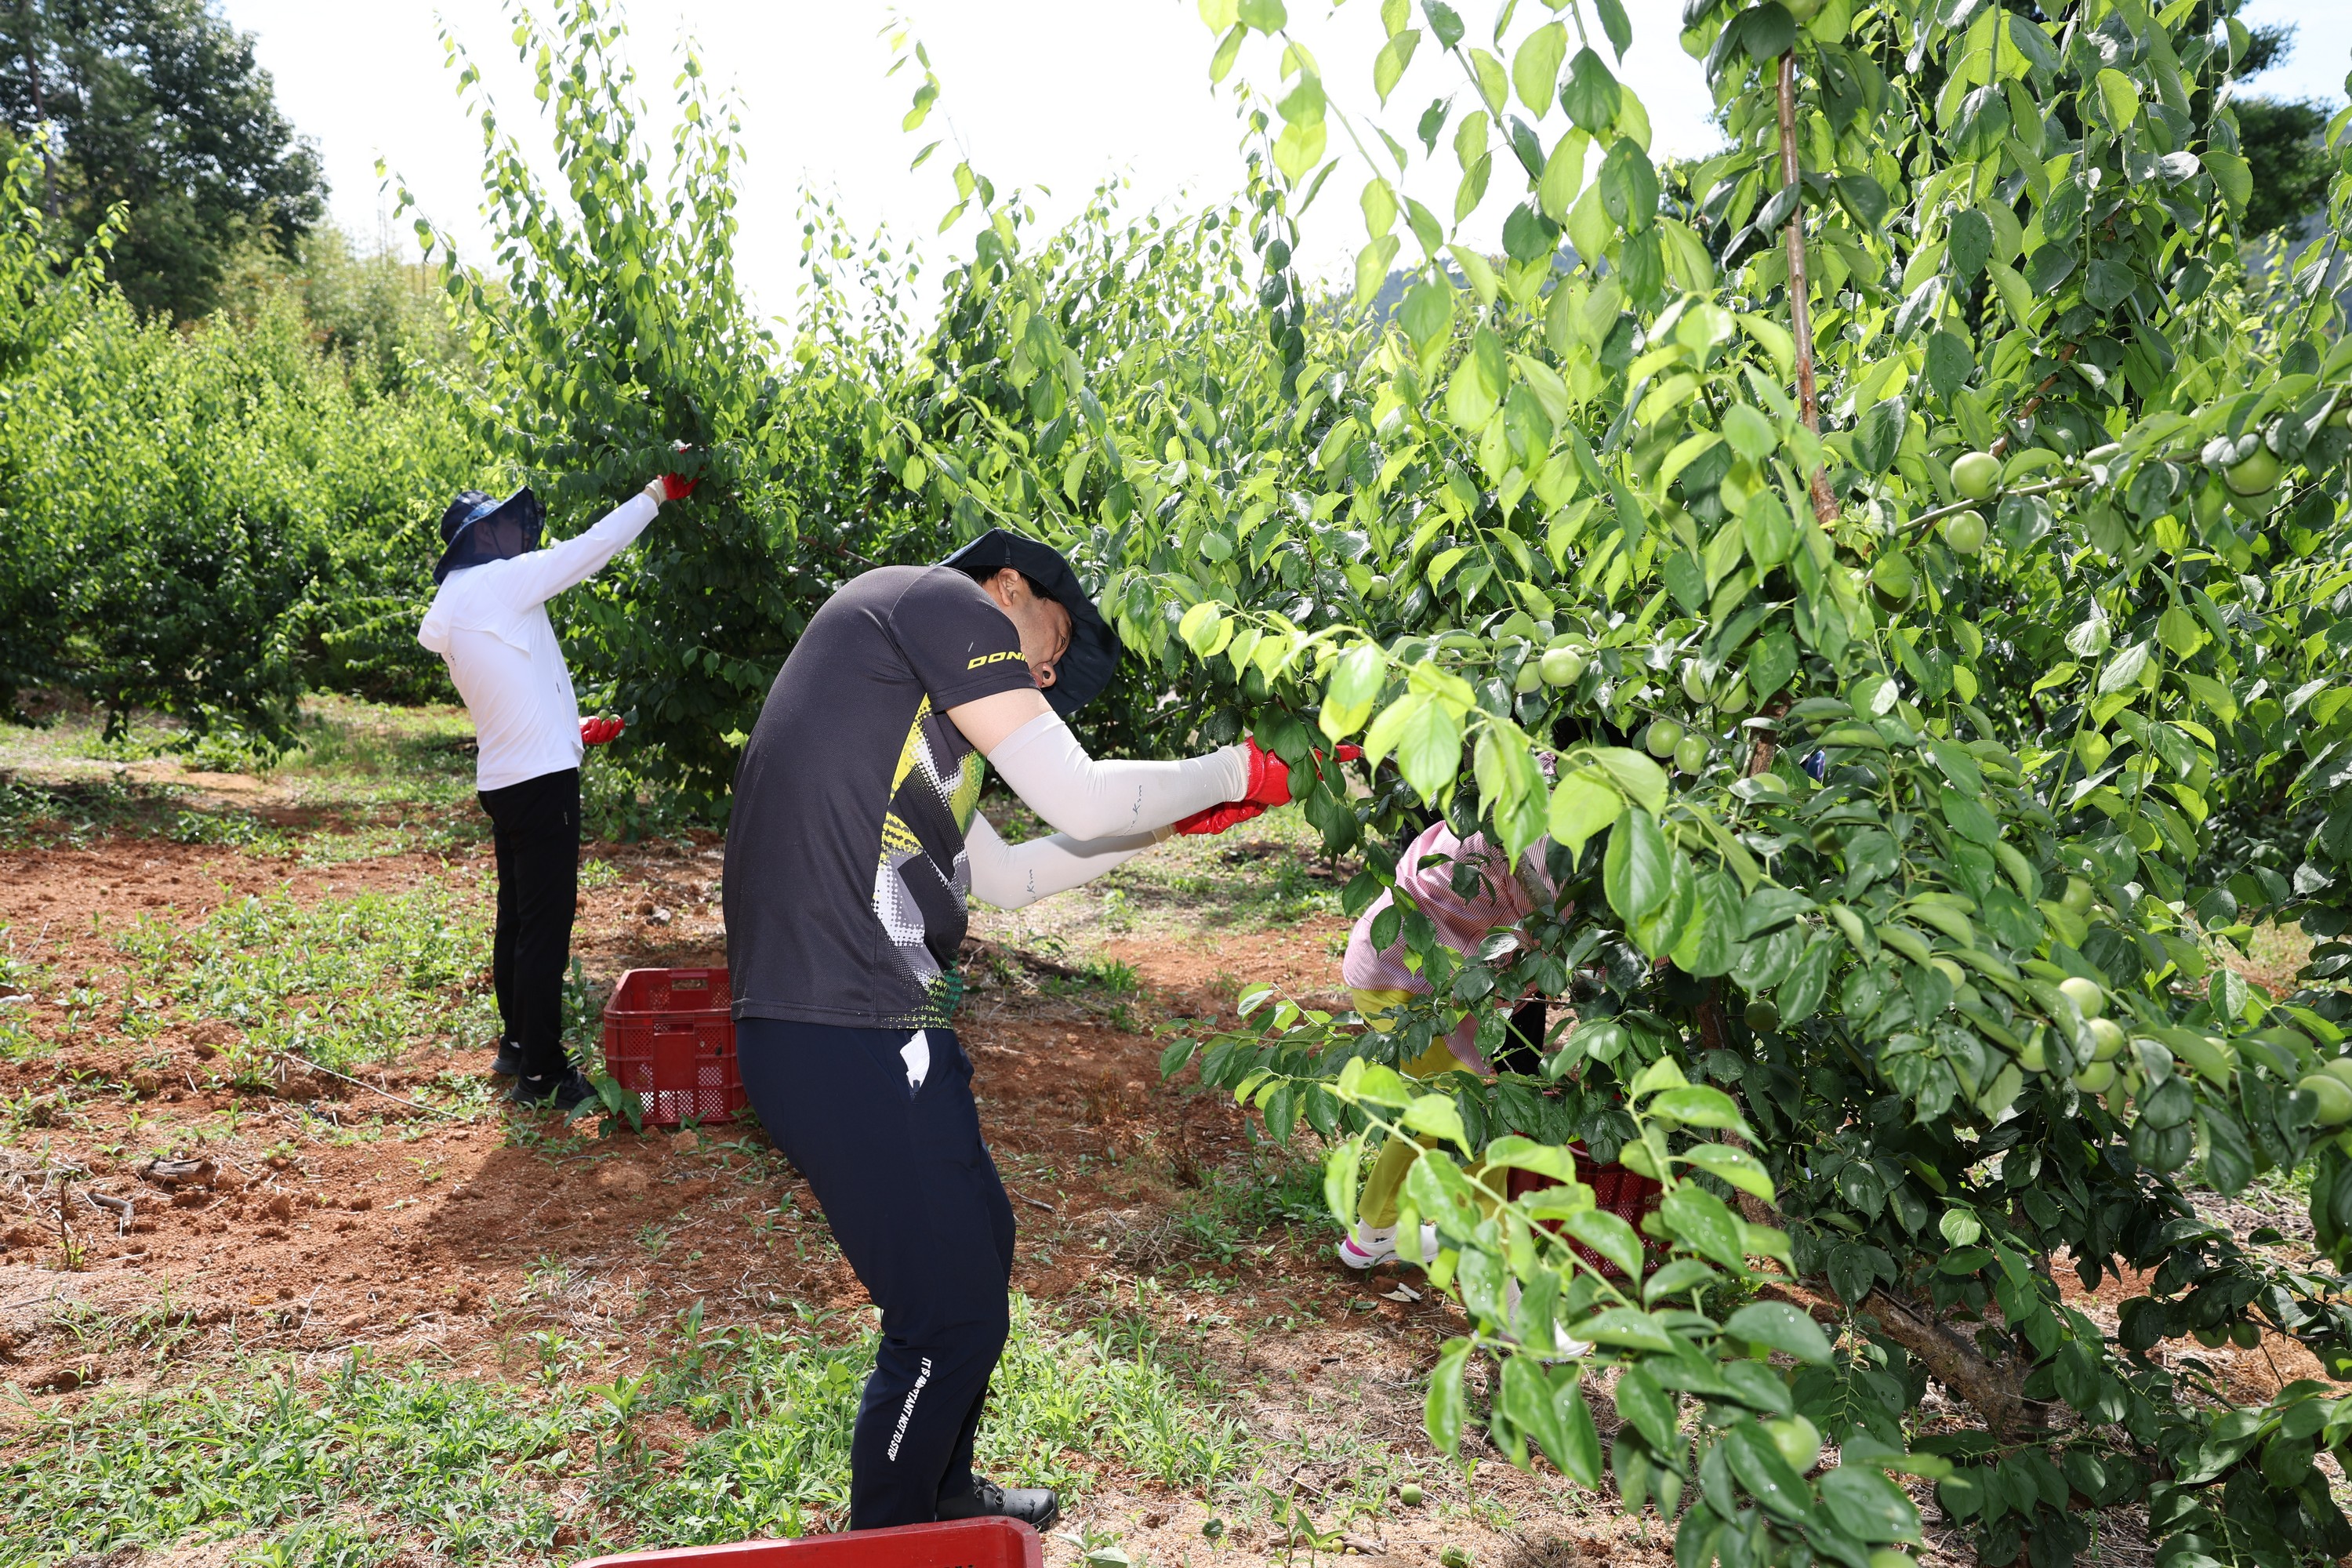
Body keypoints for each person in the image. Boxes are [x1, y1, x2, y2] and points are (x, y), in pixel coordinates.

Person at [722, 528, 1299, 1532]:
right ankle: (892, 1544)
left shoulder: (917, 718)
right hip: (844, 1018)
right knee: (947, 1316)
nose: (1046, 669)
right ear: (1006, 585)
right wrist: (1232, 767)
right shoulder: (936, 603)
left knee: (979, 1249)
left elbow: (1010, 876)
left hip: (866, 1017)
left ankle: (944, 1494)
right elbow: (1078, 792)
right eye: (1053, 638)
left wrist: (1163, 823)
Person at [418, 468, 696, 1111]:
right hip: (541, 786)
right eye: (509, 522)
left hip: (507, 779)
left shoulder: (459, 608)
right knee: (546, 929)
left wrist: (572, 730)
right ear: (482, 537)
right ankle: (542, 1075)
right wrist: (655, 495)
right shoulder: (502, 582)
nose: (521, 531)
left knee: (518, 921)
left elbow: (509, 692)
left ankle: (518, 1046)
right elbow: (590, 548)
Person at [1337, 818, 1556, 1269]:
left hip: (1399, 971)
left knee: (1435, 1109)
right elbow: (1564, 935)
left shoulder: (1518, 787)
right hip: (1408, 984)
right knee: (1475, 1118)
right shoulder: (1546, 841)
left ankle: (1374, 1235)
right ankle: (1503, 1286)